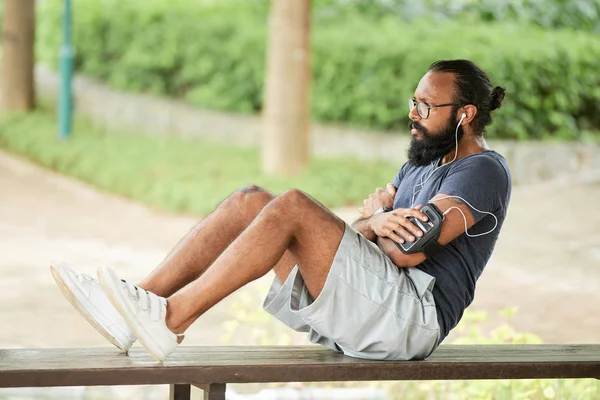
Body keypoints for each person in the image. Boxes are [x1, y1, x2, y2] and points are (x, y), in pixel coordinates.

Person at [51, 59, 511, 363]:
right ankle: (137, 304)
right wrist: (374, 222)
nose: (413, 113)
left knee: (292, 205)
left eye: (425, 106)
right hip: (378, 302)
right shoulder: (423, 160)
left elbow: (410, 250)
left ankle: (172, 320)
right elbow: (362, 229)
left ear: (465, 114)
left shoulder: (481, 170)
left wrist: (380, 225)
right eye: (414, 101)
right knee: (251, 199)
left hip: (411, 318)